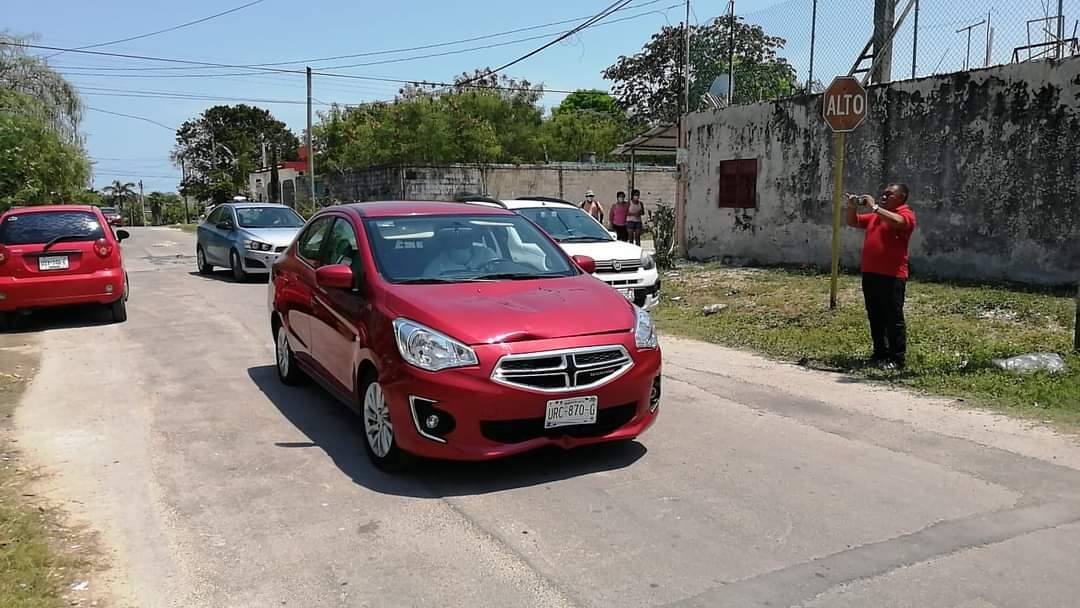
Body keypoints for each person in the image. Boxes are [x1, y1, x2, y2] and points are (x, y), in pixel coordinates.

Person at [845, 183, 917, 370]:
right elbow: (853, 222)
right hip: (871, 273)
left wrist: (875, 207)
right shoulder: (876, 217)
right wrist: (852, 207)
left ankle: (897, 358)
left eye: (889, 194)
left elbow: (899, 222)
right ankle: (880, 354)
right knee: (875, 316)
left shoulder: (905, 214)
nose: (884, 197)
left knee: (893, 318)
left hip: (892, 275)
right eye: (883, 194)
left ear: (901, 197)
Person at [423, 225, 497, 277]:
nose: (460, 239)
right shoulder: (435, 267)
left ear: (472, 238)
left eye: (466, 236)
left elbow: (502, 271)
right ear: (447, 241)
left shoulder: (487, 254)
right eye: (453, 237)